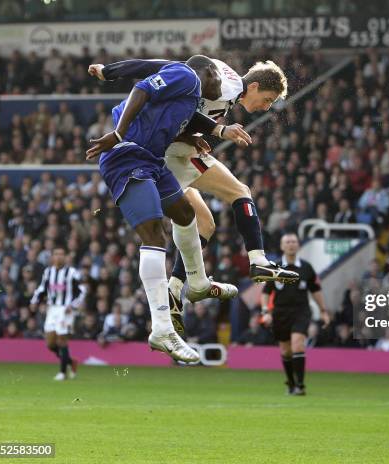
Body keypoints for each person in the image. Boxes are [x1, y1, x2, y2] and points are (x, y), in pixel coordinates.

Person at [88, 57, 300, 296]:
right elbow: (180, 95)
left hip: (172, 149)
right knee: (237, 193)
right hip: (170, 154)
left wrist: (110, 71)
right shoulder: (222, 86)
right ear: (253, 87)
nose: (266, 107)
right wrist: (218, 129)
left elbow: (159, 66)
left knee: (205, 224)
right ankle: (256, 260)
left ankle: (176, 289)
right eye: (267, 99)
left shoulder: (222, 75)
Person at [86, 57, 237, 363]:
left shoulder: (188, 92)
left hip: (153, 160)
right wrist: (118, 133)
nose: (220, 87)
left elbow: (146, 72)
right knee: (154, 234)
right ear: (207, 71)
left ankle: (198, 282)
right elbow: (142, 89)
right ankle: (162, 329)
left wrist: (213, 132)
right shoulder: (186, 75)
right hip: (127, 154)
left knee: (184, 213)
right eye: (218, 79)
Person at [260, 233, 331, 395]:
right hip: (280, 313)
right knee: (285, 351)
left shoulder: (306, 267)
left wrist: (323, 311)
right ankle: (291, 383)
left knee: (298, 344)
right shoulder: (275, 267)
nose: (291, 244)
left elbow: (316, 290)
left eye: (294, 242)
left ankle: (300, 385)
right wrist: (265, 311)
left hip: (301, 311)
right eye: (288, 242)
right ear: (282, 246)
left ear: (298, 245)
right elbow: (265, 292)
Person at [31, 246, 86, 381]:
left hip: (65, 309)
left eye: (61, 254)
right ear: (52, 257)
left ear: (65, 257)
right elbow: (42, 288)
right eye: (56, 254)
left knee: (62, 340)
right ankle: (70, 361)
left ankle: (62, 373)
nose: (59, 257)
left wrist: (72, 305)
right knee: (50, 344)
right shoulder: (48, 272)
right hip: (52, 309)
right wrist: (34, 301)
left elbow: (82, 290)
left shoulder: (72, 272)